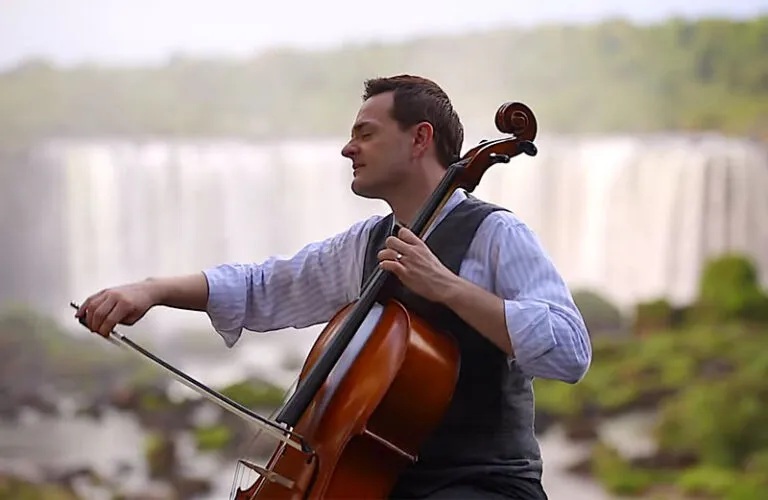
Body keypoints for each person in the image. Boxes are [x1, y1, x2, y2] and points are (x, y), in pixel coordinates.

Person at [76, 74, 592, 499]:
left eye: (365, 133)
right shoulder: (366, 244)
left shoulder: (497, 234)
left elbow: (570, 350)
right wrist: (151, 291)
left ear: (419, 139)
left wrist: (449, 287)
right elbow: (264, 286)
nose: (348, 148)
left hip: (483, 487)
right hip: (383, 485)